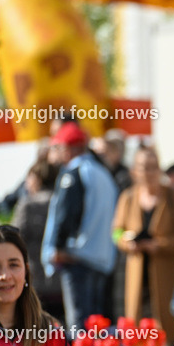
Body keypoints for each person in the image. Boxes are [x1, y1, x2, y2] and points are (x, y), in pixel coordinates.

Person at [41, 121, 118, 330]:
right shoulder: (103, 173)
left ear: (68, 149)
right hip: (100, 257)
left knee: (79, 325)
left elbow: (67, 212)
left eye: (58, 147)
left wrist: (57, 247)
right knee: (96, 324)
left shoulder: (73, 173)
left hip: (77, 257)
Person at [113, 146, 174, 343]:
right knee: (139, 332)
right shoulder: (128, 198)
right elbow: (116, 232)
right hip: (137, 276)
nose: (148, 173)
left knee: (169, 331)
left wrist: (160, 245)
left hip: (167, 276)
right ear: (134, 171)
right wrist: (127, 242)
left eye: (153, 167)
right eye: (143, 167)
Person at [11, 159, 64, 320]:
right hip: (60, 275)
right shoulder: (61, 202)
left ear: (37, 179)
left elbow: (14, 237)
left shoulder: (28, 204)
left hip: (35, 275)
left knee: (35, 326)